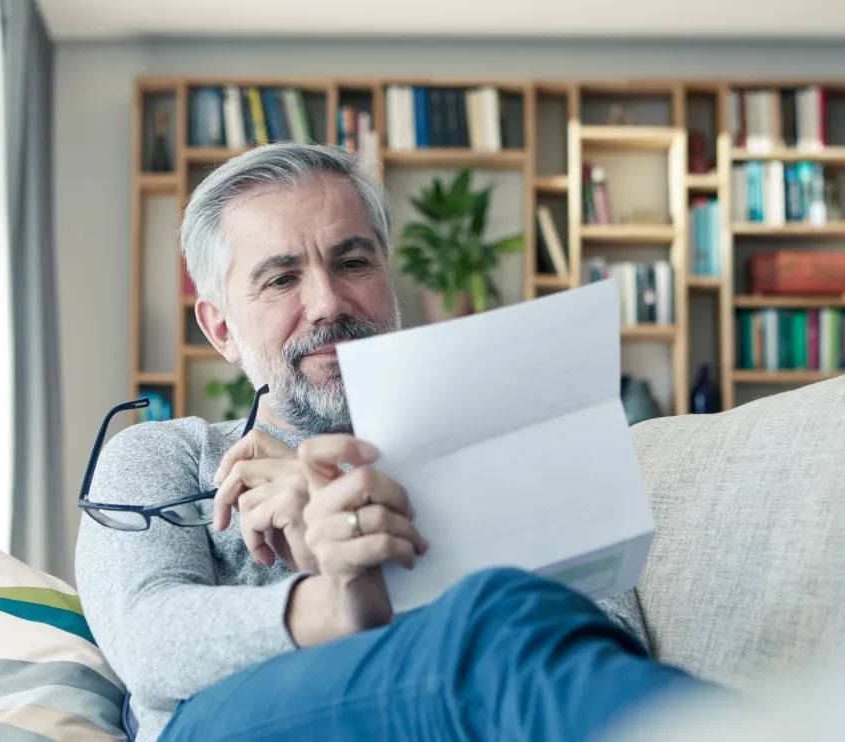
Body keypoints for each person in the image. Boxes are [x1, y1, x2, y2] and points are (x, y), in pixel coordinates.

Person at [74, 142, 713, 742]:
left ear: (387, 277)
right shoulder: (162, 454)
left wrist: (392, 524)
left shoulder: (498, 437)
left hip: (466, 708)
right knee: (491, 618)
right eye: (280, 279)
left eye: (352, 263)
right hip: (222, 721)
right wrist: (335, 601)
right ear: (221, 329)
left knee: (501, 614)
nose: (327, 301)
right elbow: (145, 642)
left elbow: (605, 635)